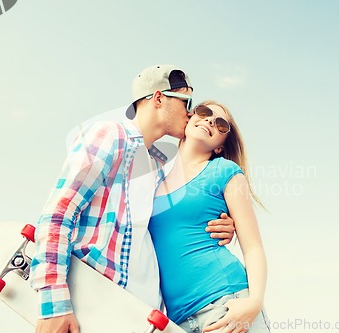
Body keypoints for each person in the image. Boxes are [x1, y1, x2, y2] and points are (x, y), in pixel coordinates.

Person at [30, 65, 235, 333]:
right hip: (100, 303)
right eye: (186, 103)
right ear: (159, 98)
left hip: (140, 316)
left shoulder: (159, 166)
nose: (189, 113)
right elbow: (59, 213)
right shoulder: (111, 135)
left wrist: (219, 224)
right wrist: (53, 304)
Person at [149, 101, 270, 333]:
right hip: (178, 321)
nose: (210, 121)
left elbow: (253, 247)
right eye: (204, 113)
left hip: (226, 303)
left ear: (220, 147)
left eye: (221, 124)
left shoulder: (224, 172)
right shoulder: (153, 178)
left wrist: (254, 302)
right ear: (189, 118)